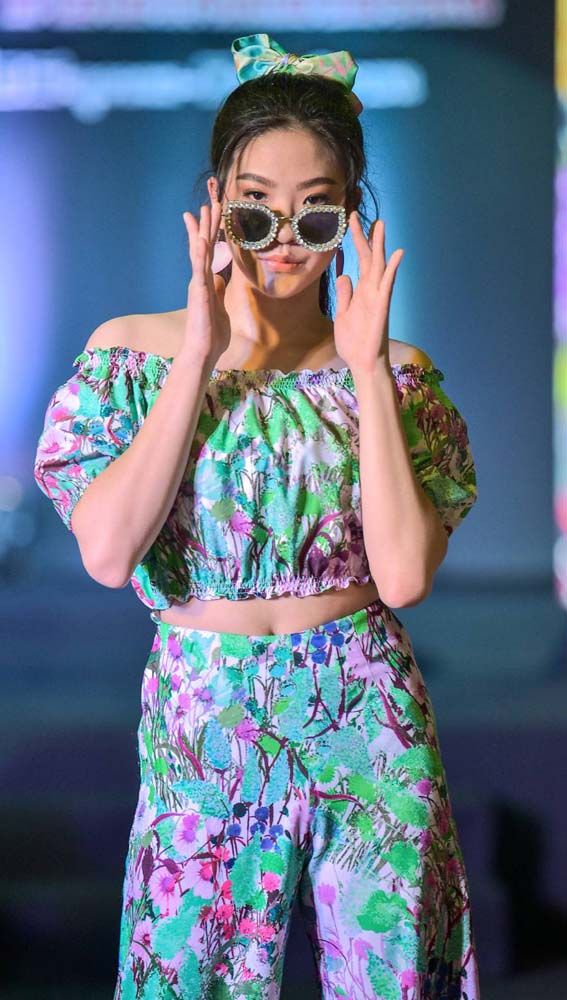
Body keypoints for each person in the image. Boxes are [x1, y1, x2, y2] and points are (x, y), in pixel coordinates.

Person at [33, 32, 480, 1000]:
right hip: (207, 706)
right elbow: (109, 552)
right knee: (192, 974)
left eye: (316, 215)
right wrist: (198, 353)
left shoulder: (396, 377)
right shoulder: (135, 357)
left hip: (366, 706)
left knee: (391, 972)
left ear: (351, 216)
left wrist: (367, 371)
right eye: (254, 211)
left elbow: (404, 577)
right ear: (213, 206)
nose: (282, 240)